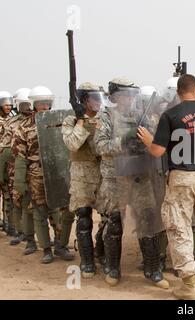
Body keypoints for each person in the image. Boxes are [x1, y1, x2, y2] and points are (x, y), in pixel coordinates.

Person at [137, 74, 195, 300]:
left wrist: (149, 139)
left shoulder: (171, 115)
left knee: (180, 228)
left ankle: (189, 286)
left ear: (178, 93)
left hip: (182, 177)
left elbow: (158, 151)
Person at [94, 78, 169, 289]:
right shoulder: (106, 116)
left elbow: (155, 141)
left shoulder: (140, 116)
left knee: (147, 219)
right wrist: (123, 140)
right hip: (115, 177)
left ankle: (153, 269)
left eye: (130, 95)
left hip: (140, 175)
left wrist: (144, 140)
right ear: (114, 96)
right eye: (123, 95)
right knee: (115, 222)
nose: (127, 99)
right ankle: (113, 268)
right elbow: (100, 146)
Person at [12, 86, 75, 263]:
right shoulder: (23, 127)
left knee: (67, 210)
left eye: (47, 103)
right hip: (36, 173)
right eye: (41, 103)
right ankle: (46, 249)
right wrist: (20, 182)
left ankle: (61, 245)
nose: (45, 107)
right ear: (33, 104)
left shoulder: (60, 121)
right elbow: (20, 156)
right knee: (40, 211)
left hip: (59, 171)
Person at [62, 82, 105, 278]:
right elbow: (72, 144)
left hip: (104, 173)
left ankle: (102, 252)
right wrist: (81, 122)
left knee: (109, 218)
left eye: (99, 97)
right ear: (84, 100)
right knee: (84, 217)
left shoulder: (105, 119)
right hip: (81, 175)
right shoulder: (71, 120)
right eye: (93, 97)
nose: (98, 101)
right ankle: (87, 261)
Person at [0, 89, 37, 254]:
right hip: (14, 166)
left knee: (36, 203)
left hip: (35, 168)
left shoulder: (38, 120)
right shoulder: (12, 123)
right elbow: (6, 147)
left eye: (28, 103)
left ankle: (38, 237)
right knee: (17, 199)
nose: (27, 107)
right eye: (23, 104)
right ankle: (20, 231)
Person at [0, 91, 14, 236]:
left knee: (8, 194)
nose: (8, 106)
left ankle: (8, 223)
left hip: (7, 161)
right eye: (5, 104)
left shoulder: (12, 120)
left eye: (10, 104)